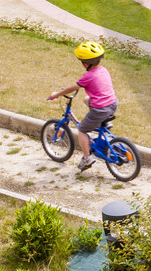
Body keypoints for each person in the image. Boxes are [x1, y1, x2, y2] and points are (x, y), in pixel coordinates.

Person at [47, 41, 117, 173]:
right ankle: (102, 124)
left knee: (82, 129)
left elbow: (72, 88)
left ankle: (87, 158)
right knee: (86, 99)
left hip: (100, 109)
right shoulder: (103, 70)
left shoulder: (88, 76)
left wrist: (56, 95)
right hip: (112, 103)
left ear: (85, 63)